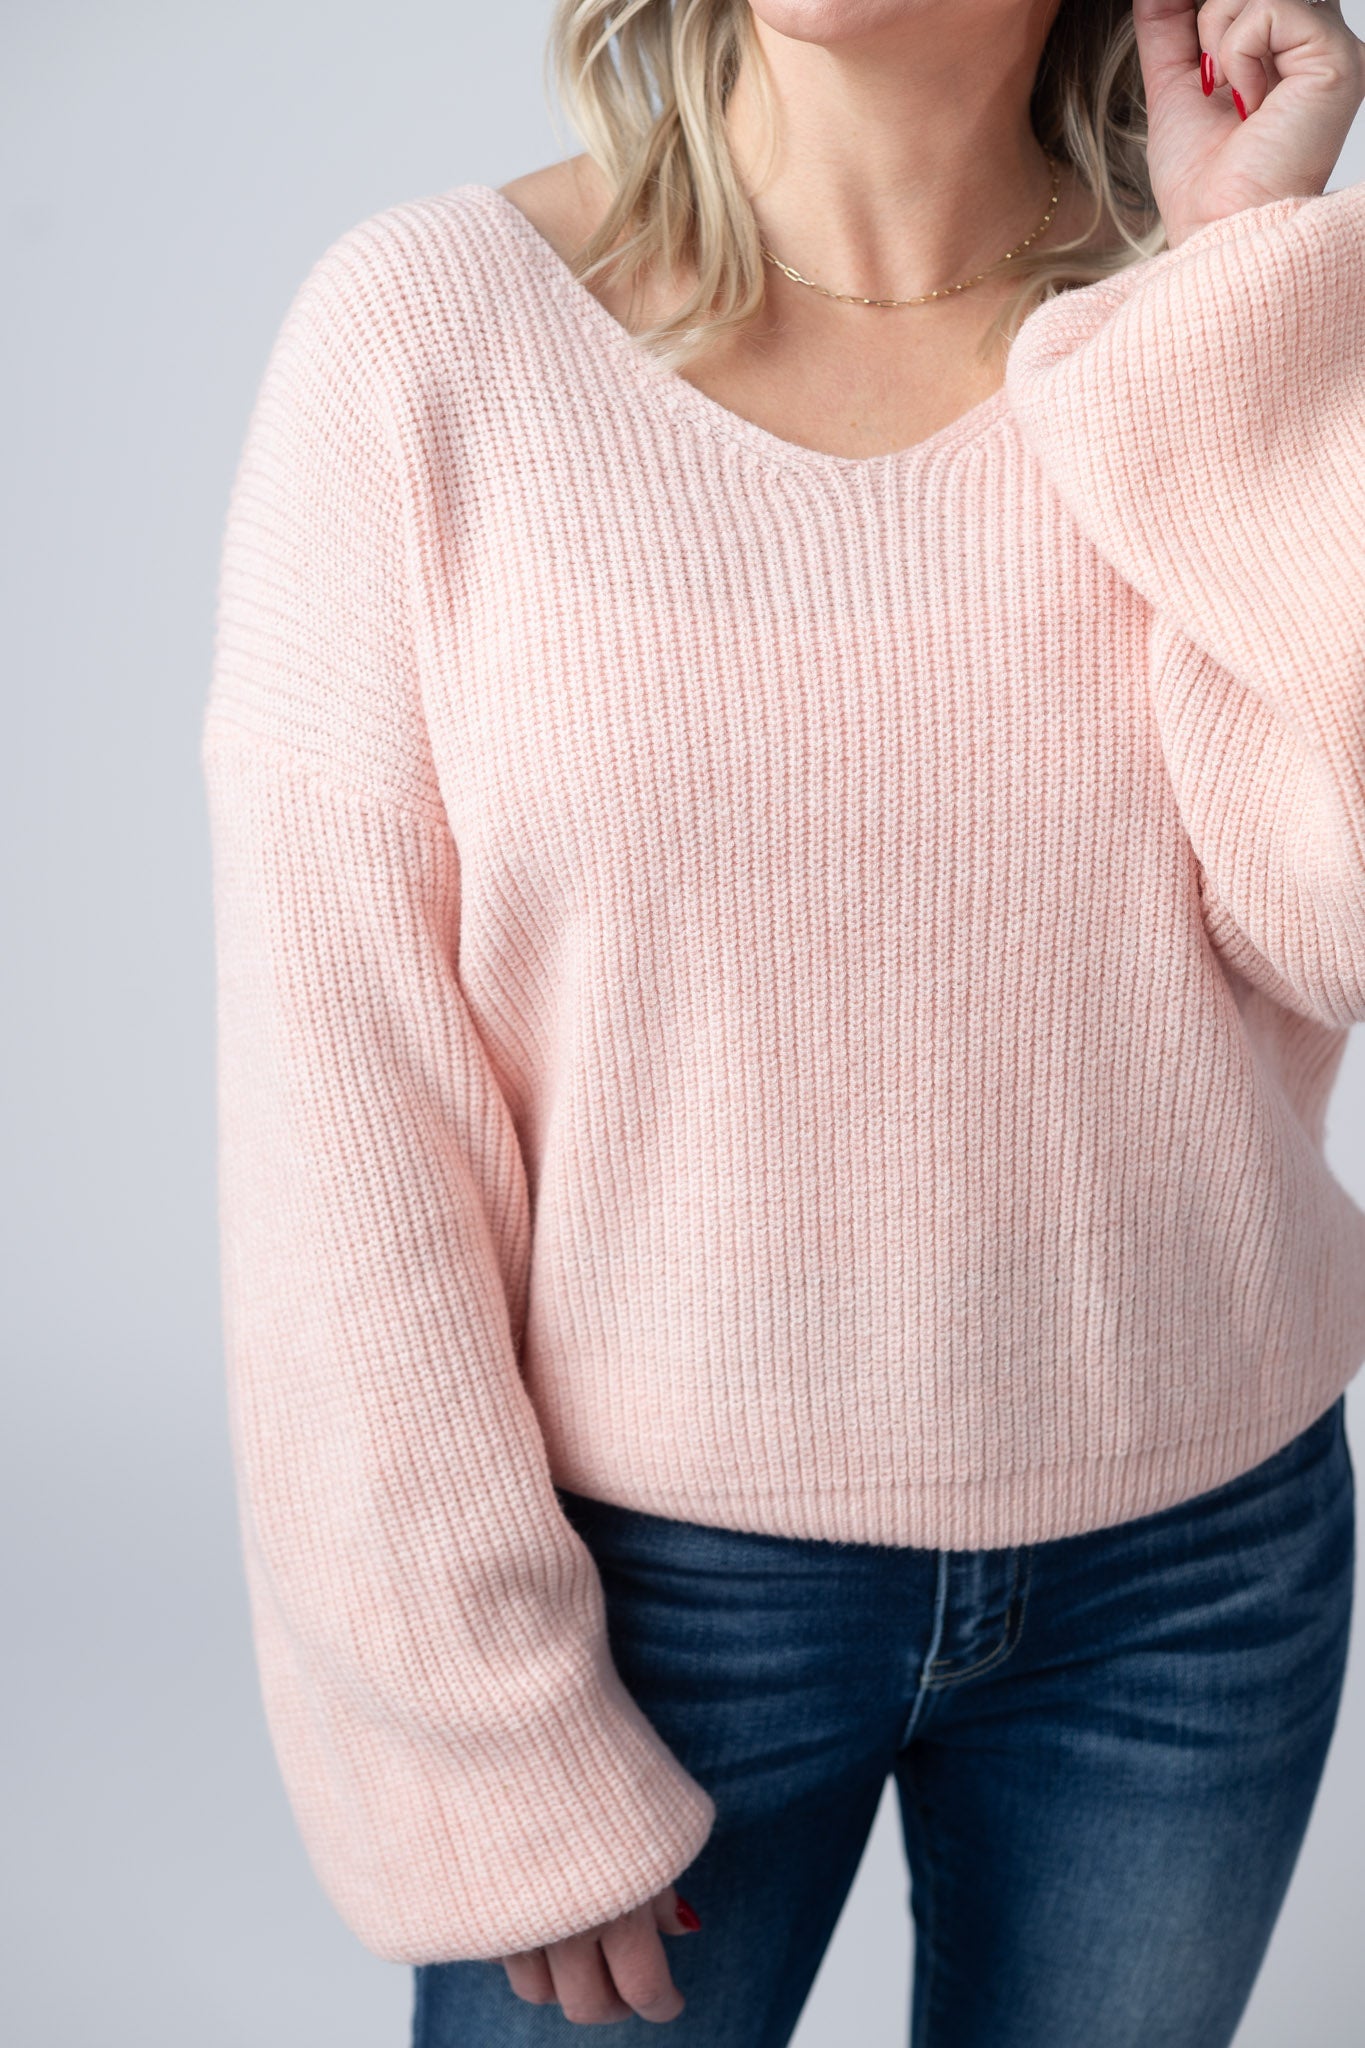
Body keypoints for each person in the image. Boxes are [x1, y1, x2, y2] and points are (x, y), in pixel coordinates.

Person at [199, 1, 1365, 2042]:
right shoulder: (429, 341)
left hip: (1193, 1571)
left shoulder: (1210, 344)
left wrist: (1242, 287)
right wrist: (479, 1721)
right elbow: (341, 1107)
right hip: (652, 1606)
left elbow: (1331, 918)